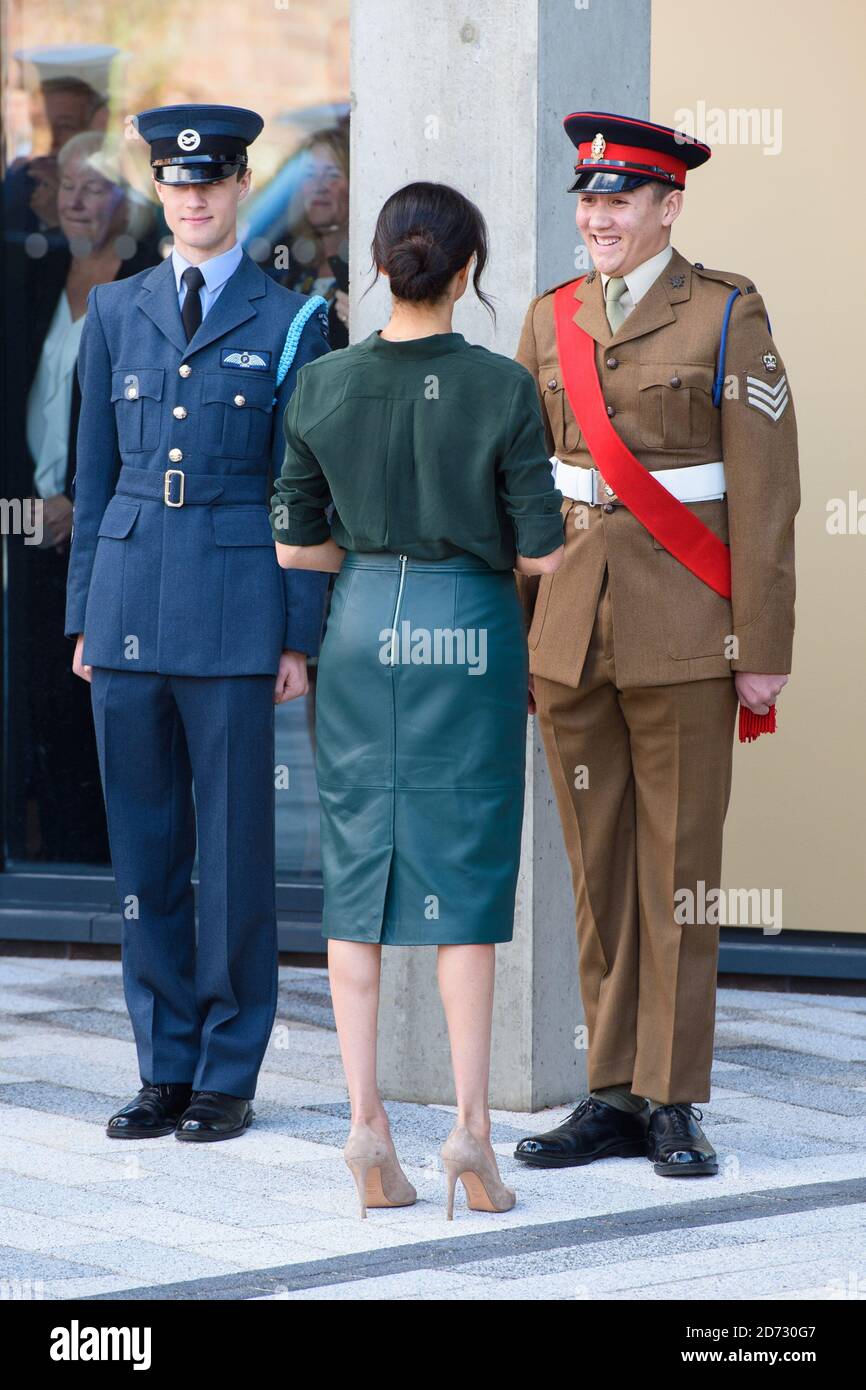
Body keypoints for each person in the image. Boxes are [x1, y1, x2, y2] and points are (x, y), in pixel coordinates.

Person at [511, 112, 799, 1177]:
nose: (596, 216)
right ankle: (610, 1092)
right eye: (586, 200)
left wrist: (760, 643)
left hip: (685, 626)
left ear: (667, 206)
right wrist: (515, 632)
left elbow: (765, 492)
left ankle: (671, 1097)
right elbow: (523, 483)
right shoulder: (550, 319)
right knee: (597, 869)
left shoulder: (725, 312)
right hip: (570, 628)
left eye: (618, 199)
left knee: (677, 870)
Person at [270, 181, 564, 1216]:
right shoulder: (497, 387)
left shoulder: (321, 385)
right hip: (469, 631)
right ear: (468, 271)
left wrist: (379, 549)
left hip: (358, 627)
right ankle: (471, 1128)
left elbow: (293, 543)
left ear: (382, 263)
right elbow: (539, 550)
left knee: (356, 866)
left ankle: (365, 1124)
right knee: (465, 878)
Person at [65, 103, 331, 1143]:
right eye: (177, 185)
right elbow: (92, 481)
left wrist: (295, 632)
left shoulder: (291, 319)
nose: (195, 197)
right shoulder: (117, 312)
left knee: (230, 857)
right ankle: (162, 1063)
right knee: (143, 851)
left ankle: (227, 1069)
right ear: (161, 194)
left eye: (212, 182)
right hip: (129, 603)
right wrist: (85, 612)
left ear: (238, 186)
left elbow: (303, 494)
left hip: (234, 606)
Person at [4, 132, 158, 865]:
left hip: (101, 530)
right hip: (24, 528)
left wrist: (77, 503)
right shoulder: (33, 278)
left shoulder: (145, 283)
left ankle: (104, 870)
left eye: (93, 187)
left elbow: (148, 423)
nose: (74, 200)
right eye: (67, 186)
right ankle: (48, 858)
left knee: (96, 707)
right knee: (36, 701)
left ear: (126, 198)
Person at [272, 126, 350, 348]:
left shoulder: (371, 272)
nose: (319, 186)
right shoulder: (288, 262)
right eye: (309, 175)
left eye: (333, 175)